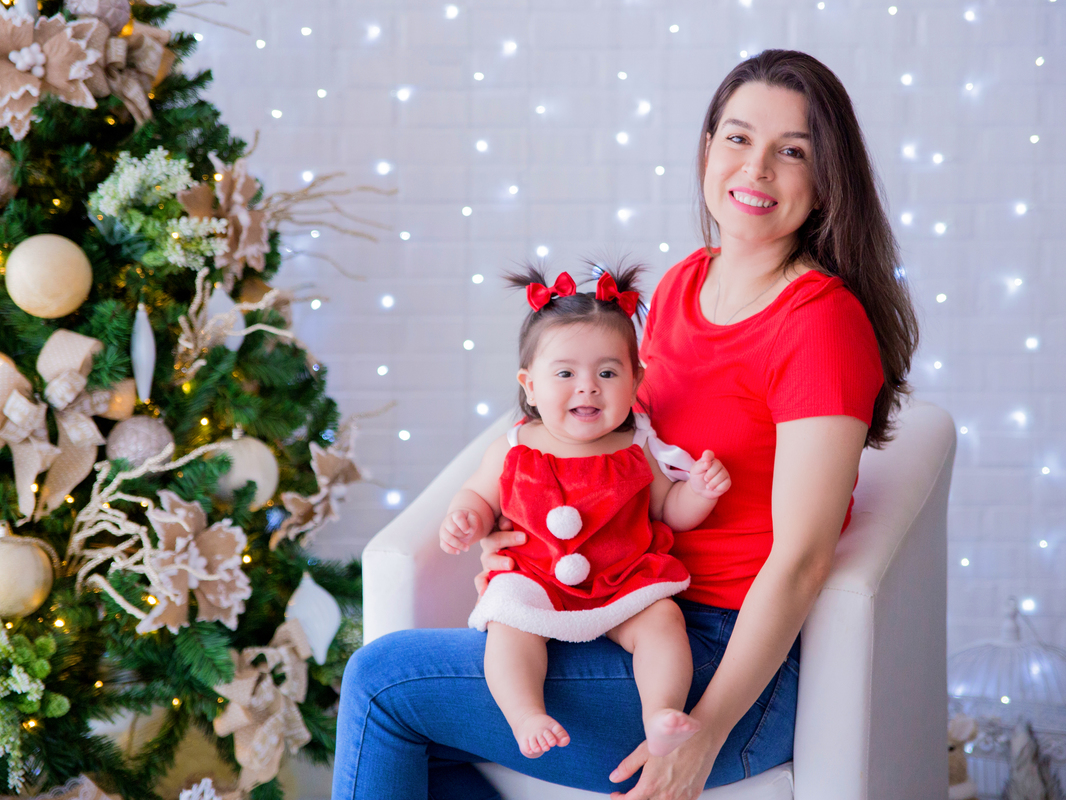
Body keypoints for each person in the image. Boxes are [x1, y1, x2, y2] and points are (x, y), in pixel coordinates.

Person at [333, 48, 918, 800]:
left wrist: (704, 729)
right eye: (738, 138)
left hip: (721, 666)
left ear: (825, 180)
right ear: (707, 149)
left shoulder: (821, 324)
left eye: (792, 151)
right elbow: (612, 443)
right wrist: (527, 521)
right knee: (426, 745)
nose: (757, 169)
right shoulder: (680, 285)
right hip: (623, 603)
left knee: (382, 684)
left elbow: (802, 561)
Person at [439, 264, 732, 760]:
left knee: (663, 621)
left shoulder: (639, 447)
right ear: (529, 385)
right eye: (565, 373)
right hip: (536, 581)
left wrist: (700, 491)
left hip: (623, 581)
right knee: (508, 629)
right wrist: (467, 518)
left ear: (636, 380)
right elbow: (479, 497)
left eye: (608, 372)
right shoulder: (513, 446)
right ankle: (525, 713)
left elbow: (670, 511)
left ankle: (661, 714)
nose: (587, 387)